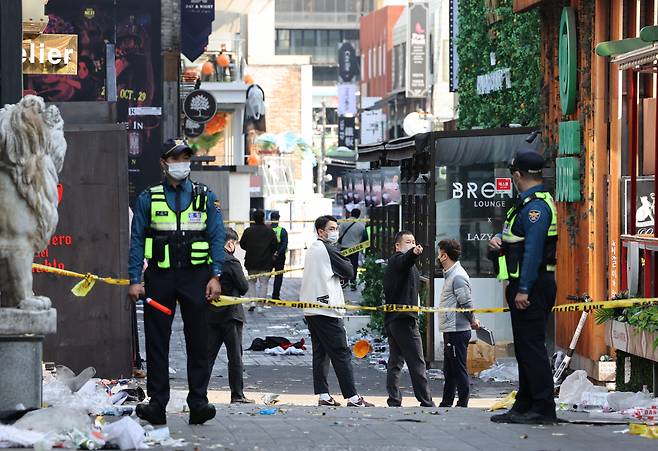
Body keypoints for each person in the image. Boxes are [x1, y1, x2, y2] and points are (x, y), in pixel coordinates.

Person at [128, 138, 224, 425]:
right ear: (164, 162)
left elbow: (217, 236)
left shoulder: (204, 196)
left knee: (199, 341)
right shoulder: (148, 197)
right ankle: (157, 405)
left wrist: (216, 275)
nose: (182, 163)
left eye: (185, 158)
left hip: (197, 277)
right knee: (157, 342)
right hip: (160, 277)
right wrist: (135, 279)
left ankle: (198, 403)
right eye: (176, 158)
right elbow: (136, 241)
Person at [488, 148, 558, 425]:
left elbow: (533, 252)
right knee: (525, 349)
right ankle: (525, 404)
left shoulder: (536, 208)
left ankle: (542, 407)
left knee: (532, 349)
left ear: (518, 175)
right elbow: (517, 240)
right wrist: (498, 241)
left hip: (533, 285)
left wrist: (524, 289)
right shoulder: (526, 204)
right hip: (525, 283)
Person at [301, 215, 373, 407]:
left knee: (321, 353)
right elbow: (349, 270)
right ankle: (352, 397)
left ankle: (324, 396)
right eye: (331, 228)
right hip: (326, 309)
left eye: (336, 228)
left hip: (311, 308)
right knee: (341, 353)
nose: (335, 232)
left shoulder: (313, 249)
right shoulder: (327, 249)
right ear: (320, 231)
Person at [383, 231, 435, 408]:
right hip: (404, 320)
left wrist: (412, 255)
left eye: (413, 241)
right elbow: (405, 260)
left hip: (395, 319)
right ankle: (426, 401)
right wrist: (413, 253)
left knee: (396, 362)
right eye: (407, 242)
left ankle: (394, 399)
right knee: (417, 362)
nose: (412, 244)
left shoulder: (402, 264)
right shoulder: (398, 260)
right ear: (398, 246)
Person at [206, 228, 254, 404]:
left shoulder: (208, 260)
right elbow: (243, 287)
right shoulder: (232, 261)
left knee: (208, 356)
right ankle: (237, 395)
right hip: (231, 316)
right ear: (230, 243)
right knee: (235, 357)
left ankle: (199, 392)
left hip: (211, 315)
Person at [436, 239, 480, 408]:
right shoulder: (451, 274)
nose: (438, 257)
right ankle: (446, 402)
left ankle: (463, 402)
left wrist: (473, 320)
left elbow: (466, 303)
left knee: (458, 367)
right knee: (450, 369)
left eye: (439, 254)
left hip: (457, 330)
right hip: (451, 328)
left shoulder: (458, 276)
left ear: (444, 255)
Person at [239, 209, 277, 311]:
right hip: (266, 262)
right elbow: (274, 246)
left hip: (251, 261)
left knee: (251, 283)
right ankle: (260, 305)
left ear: (253, 219)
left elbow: (242, 244)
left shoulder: (248, 231)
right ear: (263, 218)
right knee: (264, 284)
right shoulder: (270, 231)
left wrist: (250, 249)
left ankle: (252, 302)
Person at [338, 208, 367, 290]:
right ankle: (353, 283)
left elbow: (339, 234)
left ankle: (344, 281)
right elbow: (364, 238)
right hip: (355, 249)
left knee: (343, 265)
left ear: (350, 214)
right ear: (358, 215)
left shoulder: (344, 223)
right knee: (354, 266)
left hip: (344, 247)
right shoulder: (361, 225)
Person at [270, 211, 288, 300]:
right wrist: (277, 253)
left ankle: (262, 295)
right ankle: (275, 296)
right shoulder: (282, 230)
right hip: (279, 257)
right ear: (278, 219)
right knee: (278, 276)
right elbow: (285, 244)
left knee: (264, 277)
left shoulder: (267, 229)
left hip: (268, 257)